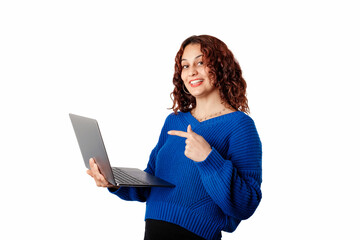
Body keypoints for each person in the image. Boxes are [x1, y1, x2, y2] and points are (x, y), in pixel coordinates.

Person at [87, 35, 262, 240]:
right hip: (153, 232)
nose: (192, 72)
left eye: (201, 62)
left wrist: (208, 158)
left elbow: (246, 204)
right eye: (185, 66)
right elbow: (151, 180)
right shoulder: (174, 121)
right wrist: (113, 180)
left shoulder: (240, 125)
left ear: (221, 67)